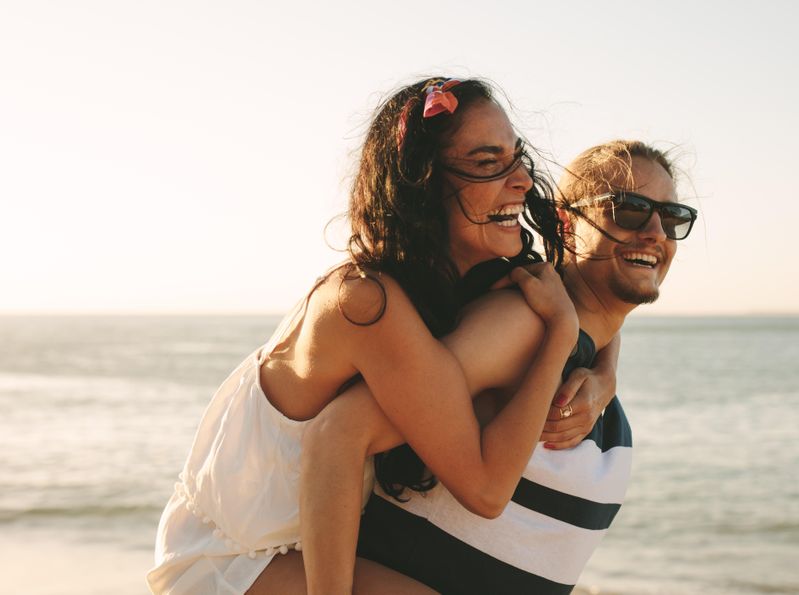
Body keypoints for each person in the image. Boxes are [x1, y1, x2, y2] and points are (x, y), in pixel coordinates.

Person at [146, 77, 618, 594]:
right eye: (488, 163)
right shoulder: (366, 302)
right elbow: (485, 489)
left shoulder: (450, 290)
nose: (523, 180)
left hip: (292, 548)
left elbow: (605, 302)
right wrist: (559, 337)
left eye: (516, 156)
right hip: (226, 559)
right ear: (423, 185)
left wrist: (605, 373)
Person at [298, 140, 698, 594]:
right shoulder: (522, 325)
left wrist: (606, 369)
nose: (654, 232)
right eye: (628, 210)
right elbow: (341, 430)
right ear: (567, 225)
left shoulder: (580, 347)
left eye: (672, 218)